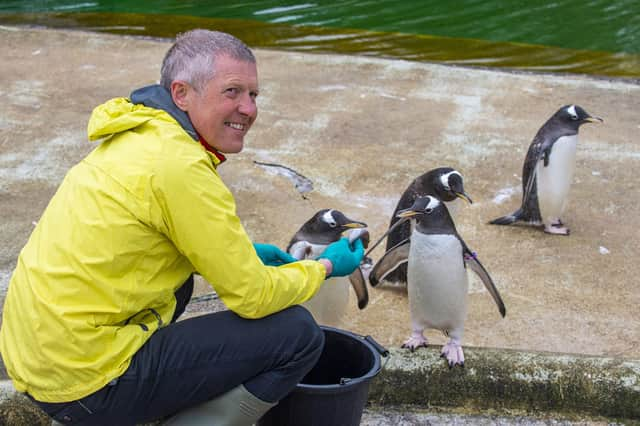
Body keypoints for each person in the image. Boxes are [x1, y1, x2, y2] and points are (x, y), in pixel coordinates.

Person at [0, 29, 365, 426]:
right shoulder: (182, 167)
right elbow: (254, 297)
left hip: (39, 358)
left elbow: (135, 242)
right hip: (83, 379)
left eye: (254, 95)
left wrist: (240, 257)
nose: (249, 108)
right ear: (181, 93)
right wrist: (325, 267)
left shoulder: (137, 135)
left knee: (183, 285)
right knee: (298, 334)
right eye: (232, 92)